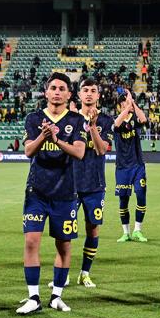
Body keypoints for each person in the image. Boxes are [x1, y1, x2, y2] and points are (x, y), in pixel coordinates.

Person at [18, 73, 86, 314]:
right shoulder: (34, 118)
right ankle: (33, 297)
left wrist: (56, 140)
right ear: (46, 92)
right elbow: (28, 151)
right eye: (53, 88)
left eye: (62, 88)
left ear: (69, 94)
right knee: (31, 241)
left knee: (63, 246)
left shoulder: (77, 120)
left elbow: (79, 153)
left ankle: (56, 296)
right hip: (36, 191)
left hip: (65, 192)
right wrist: (43, 136)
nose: (57, 92)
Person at [68, 78, 114, 288]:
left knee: (93, 229)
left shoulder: (106, 120)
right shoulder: (69, 119)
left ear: (98, 95)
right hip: (70, 182)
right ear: (79, 94)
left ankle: (85, 273)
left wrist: (93, 126)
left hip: (95, 183)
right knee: (65, 231)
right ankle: (63, 274)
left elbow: (101, 149)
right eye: (85, 90)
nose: (88, 93)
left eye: (93, 90)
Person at [113, 90, 149, 242]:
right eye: (124, 104)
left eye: (129, 104)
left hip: (138, 165)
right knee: (123, 200)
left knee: (141, 195)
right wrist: (127, 107)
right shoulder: (116, 120)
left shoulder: (135, 119)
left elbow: (144, 119)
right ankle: (125, 232)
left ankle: (137, 230)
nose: (128, 106)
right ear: (120, 106)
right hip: (122, 167)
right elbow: (116, 124)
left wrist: (132, 102)